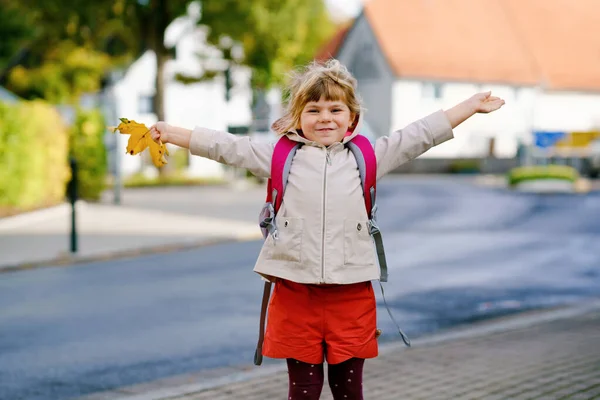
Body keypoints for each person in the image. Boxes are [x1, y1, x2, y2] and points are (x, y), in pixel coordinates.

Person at [149, 59, 505, 400]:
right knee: (302, 392)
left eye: (335, 110)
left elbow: (420, 135)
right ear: (297, 116)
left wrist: (469, 106)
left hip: (350, 296)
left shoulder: (367, 156)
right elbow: (223, 145)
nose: (325, 119)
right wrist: (170, 132)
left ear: (352, 117)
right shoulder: (277, 155)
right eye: (314, 110)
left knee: (349, 391)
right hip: (294, 293)